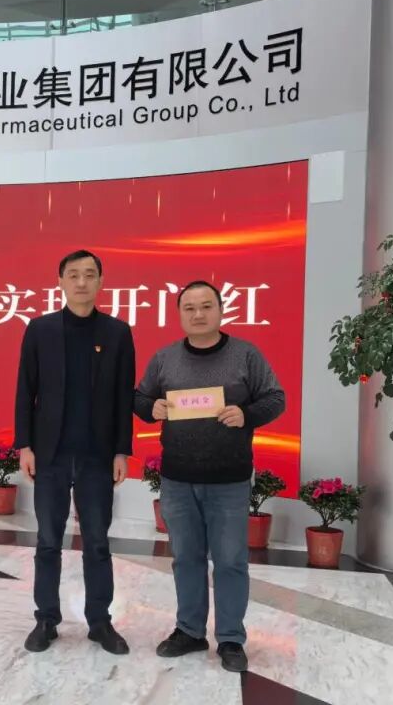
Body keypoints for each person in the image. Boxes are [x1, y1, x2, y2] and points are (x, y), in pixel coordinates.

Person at [133, 280, 285, 672]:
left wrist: (246, 414)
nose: (198, 314)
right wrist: (152, 408)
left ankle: (231, 638)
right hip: (177, 479)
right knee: (186, 558)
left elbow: (275, 398)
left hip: (229, 480)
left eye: (206, 306)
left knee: (231, 561)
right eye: (189, 308)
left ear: (220, 310)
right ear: (179, 314)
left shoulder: (245, 354)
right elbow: (140, 398)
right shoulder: (165, 358)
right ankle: (189, 631)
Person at [14, 249, 136, 655]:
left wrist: (121, 451)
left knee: (97, 542)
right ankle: (46, 619)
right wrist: (25, 445)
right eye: (73, 274)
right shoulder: (40, 329)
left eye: (89, 274)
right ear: (61, 281)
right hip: (49, 454)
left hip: (96, 457)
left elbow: (123, 397)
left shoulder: (117, 333)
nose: (81, 282)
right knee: (48, 540)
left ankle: (100, 622)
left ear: (101, 281)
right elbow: (25, 390)